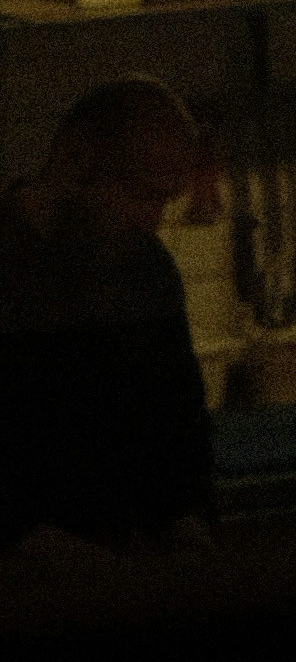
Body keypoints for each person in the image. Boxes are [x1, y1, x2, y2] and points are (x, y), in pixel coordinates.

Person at [0, 76, 216, 561]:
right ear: (75, 159)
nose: (152, 220)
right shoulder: (10, 271)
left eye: (164, 200)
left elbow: (181, 429)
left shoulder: (145, 269)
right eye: (140, 193)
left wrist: (187, 523)